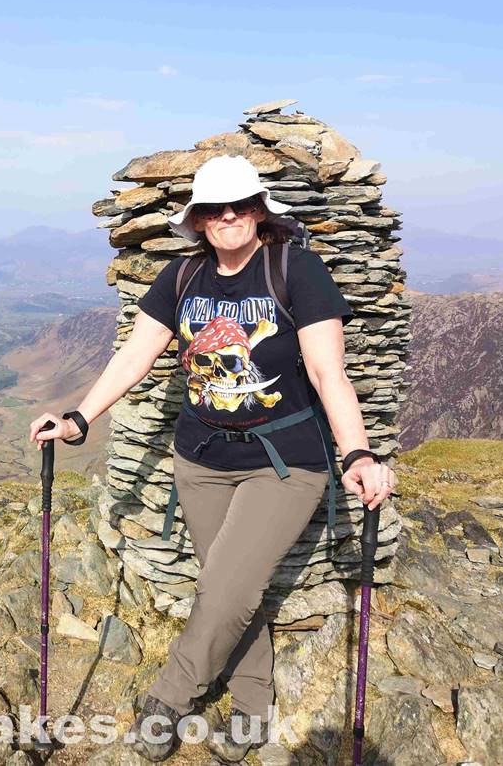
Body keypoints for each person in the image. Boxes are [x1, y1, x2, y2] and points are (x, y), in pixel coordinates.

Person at [28, 154, 397, 762]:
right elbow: (134, 356)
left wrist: (356, 452)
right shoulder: (181, 279)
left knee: (226, 588)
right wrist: (79, 417)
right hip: (199, 460)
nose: (229, 217)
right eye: (215, 209)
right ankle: (253, 714)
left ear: (260, 212)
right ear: (197, 219)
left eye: (242, 205)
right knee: (233, 590)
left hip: (284, 461)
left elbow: (330, 374)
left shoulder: (296, 270)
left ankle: (168, 699)